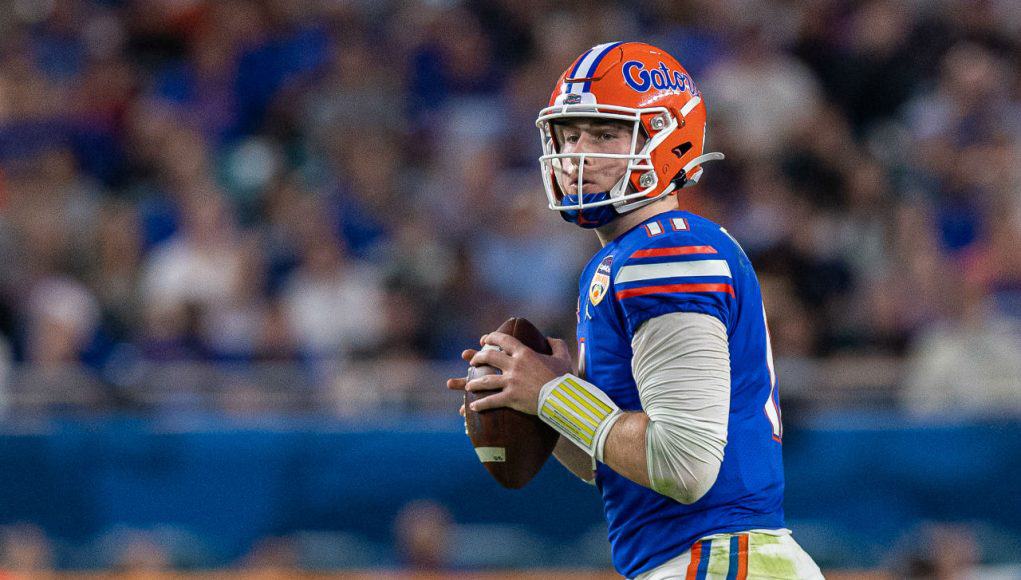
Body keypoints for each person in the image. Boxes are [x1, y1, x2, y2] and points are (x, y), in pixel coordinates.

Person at [447, 42, 823, 579]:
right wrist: (539, 404)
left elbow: (685, 465)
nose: (579, 155)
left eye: (605, 134)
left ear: (669, 139)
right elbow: (621, 470)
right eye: (571, 134)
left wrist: (552, 392)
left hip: (719, 560)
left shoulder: (665, 252)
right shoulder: (626, 257)